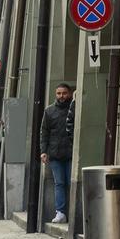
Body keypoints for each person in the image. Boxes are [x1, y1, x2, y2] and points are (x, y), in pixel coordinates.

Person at [39, 82, 76, 223]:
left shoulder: (74, 109)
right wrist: (43, 151)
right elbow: (44, 132)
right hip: (55, 154)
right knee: (59, 183)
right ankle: (60, 212)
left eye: (64, 93)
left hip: (71, 153)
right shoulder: (49, 111)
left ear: (70, 94)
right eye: (59, 93)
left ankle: (73, 212)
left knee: (71, 183)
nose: (61, 96)